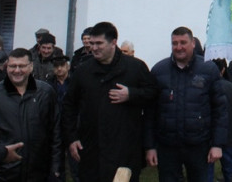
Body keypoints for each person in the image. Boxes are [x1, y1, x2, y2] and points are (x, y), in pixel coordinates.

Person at [62, 21, 159, 182]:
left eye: (99, 43)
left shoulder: (135, 67)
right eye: (92, 43)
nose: (94, 48)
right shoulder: (83, 71)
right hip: (91, 148)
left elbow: (153, 95)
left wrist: (132, 94)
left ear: (114, 42)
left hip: (125, 148)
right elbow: (69, 106)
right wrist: (71, 138)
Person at [145, 26, 229, 182]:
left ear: (193, 44)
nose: (179, 47)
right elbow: (150, 112)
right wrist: (150, 146)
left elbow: (220, 110)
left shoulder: (208, 69)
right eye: (174, 43)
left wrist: (217, 144)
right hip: (167, 146)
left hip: (198, 145)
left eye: (183, 42)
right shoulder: (158, 70)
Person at [0, 48, 62, 181]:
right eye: (12, 66)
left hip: (39, 173)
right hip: (2, 174)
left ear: (31, 66)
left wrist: (56, 167)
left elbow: (56, 132)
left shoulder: (46, 93)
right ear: (6, 67)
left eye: (22, 66)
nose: (17, 70)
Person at [47, 54, 76, 182]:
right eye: (56, 66)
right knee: (57, 161)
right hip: (55, 124)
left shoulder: (75, 82)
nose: (59, 69)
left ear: (67, 67)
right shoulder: (49, 84)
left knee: (75, 160)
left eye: (62, 66)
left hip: (72, 124)